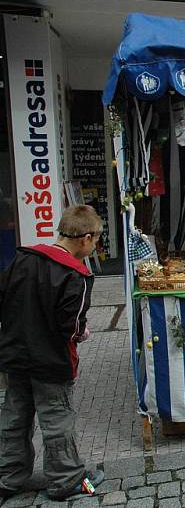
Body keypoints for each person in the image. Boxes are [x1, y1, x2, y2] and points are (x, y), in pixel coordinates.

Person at [0, 205, 105, 501]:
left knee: (14, 416)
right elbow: (69, 327)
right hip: (50, 360)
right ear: (84, 238)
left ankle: (9, 476)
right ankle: (65, 479)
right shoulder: (76, 275)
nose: (96, 245)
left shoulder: (23, 257)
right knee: (56, 419)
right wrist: (81, 333)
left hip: (15, 355)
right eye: (96, 239)